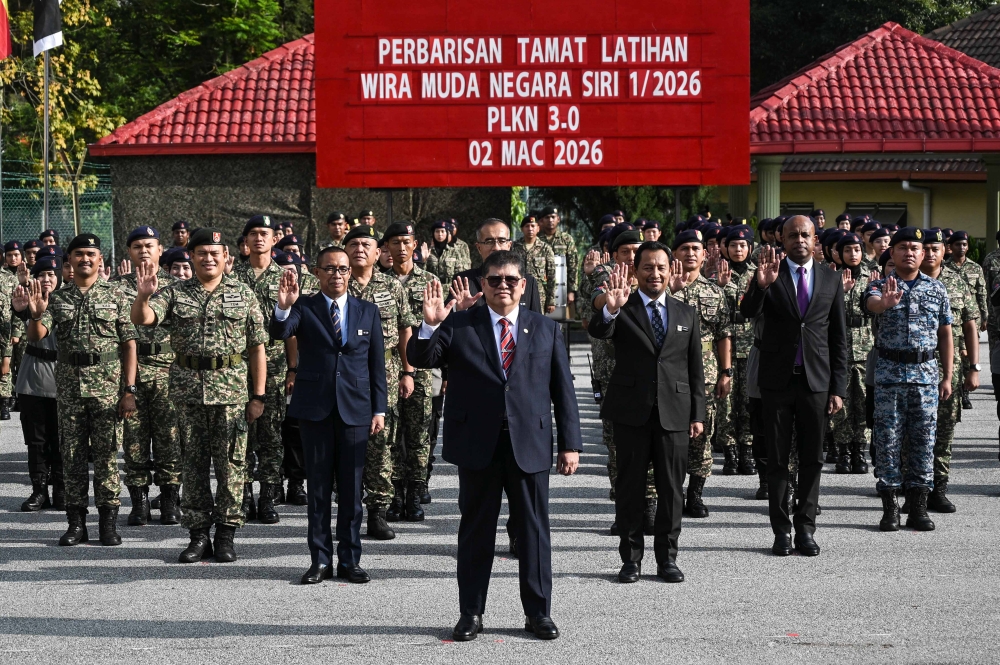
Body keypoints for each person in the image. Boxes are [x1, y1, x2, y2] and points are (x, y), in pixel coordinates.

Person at [409, 250, 582, 642]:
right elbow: (421, 358)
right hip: (477, 445)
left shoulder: (545, 328)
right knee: (475, 533)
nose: (502, 285)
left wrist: (570, 443)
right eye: (493, 280)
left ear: (524, 285)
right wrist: (429, 324)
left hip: (529, 444)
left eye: (510, 280)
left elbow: (563, 389)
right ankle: (471, 612)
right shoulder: (459, 324)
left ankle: (538, 613)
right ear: (481, 284)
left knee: (534, 532)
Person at [132, 228, 268, 563]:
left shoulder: (243, 293)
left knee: (231, 466)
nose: (208, 258)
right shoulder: (175, 293)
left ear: (226, 258)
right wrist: (143, 297)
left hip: (232, 394)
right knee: (192, 466)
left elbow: (257, 348)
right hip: (187, 393)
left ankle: (225, 534)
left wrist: (259, 396)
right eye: (201, 253)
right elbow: (144, 320)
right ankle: (197, 535)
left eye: (214, 253)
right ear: (191, 257)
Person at [589, 241, 706, 585]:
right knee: (630, 488)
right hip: (631, 412)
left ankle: (667, 559)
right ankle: (631, 560)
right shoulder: (622, 307)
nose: (655, 274)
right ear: (635, 271)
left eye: (661, 267)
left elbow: (694, 368)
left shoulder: (686, 312)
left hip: (675, 412)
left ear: (672, 271)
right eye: (647, 268)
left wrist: (697, 414)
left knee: (672, 490)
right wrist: (610, 309)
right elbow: (599, 330)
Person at [271, 246, 388, 584]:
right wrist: (283, 306)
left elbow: (376, 364)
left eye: (342, 269)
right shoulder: (303, 306)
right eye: (329, 269)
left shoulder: (367, 310)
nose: (336, 275)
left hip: (356, 409)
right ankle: (320, 560)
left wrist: (378, 408)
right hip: (316, 409)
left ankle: (350, 560)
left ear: (351, 273)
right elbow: (279, 332)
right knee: (319, 489)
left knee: (352, 490)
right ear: (317, 272)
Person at [740, 215, 848, 557]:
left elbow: (838, 338)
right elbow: (746, 312)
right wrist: (760, 286)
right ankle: (781, 531)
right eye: (792, 235)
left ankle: (806, 528)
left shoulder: (831, 279)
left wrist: (838, 388)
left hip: (816, 382)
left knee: (813, 458)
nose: (799, 240)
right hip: (777, 381)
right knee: (777, 460)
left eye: (805, 234)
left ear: (815, 240)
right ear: (781, 240)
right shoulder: (769, 273)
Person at [26, 234, 139, 547]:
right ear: (70, 262)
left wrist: (129, 389)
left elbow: (129, 345)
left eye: (91, 254)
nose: (85, 259)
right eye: (78, 255)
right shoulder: (59, 299)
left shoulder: (117, 294)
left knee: (106, 459)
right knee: (72, 459)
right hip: (70, 393)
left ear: (100, 259)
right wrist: (35, 314)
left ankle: (107, 524)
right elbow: (37, 335)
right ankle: (76, 524)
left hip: (108, 392)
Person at [863, 227, 952, 533]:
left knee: (923, 442)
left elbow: (945, 333)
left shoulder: (936, 289)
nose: (910, 252)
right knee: (887, 441)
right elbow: (871, 304)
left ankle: (918, 508)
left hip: (926, 376)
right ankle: (890, 508)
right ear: (893, 253)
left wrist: (948, 376)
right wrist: (884, 304)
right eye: (903, 247)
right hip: (889, 375)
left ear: (924, 253)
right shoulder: (879, 285)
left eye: (916, 247)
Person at [345, 223, 419, 541]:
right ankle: (348, 512)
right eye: (354, 244)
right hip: (345, 374)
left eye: (367, 244)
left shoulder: (392, 288)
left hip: (384, 373)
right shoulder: (336, 286)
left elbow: (405, 330)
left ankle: (377, 512)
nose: (360, 249)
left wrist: (407, 371)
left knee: (381, 445)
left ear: (379, 253)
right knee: (345, 444)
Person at [111, 226, 183, 526]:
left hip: (168, 372)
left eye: (149, 245)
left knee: (170, 439)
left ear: (160, 249)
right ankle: (139, 502)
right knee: (134, 441)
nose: (143, 250)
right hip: (131, 373)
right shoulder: (116, 289)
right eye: (137, 246)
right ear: (129, 251)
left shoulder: (178, 287)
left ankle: (169, 501)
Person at [668, 229, 731, 518]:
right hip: (672, 370)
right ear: (674, 254)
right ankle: (671, 493)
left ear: (705, 254)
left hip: (705, 373)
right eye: (684, 248)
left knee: (703, 435)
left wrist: (726, 372)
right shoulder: (665, 289)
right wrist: (672, 290)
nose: (690, 253)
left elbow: (723, 334)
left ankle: (695, 495)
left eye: (696, 248)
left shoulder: (715, 292)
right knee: (672, 433)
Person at [233, 214, 291, 524]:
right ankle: (242, 495)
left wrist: (293, 369)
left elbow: (294, 329)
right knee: (241, 435)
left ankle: (268, 497)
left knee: (271, 437)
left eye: (264, 234)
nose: (258, 239)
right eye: (252, 233)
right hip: (236, 370)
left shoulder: (286, 277)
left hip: (275, 367)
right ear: (245, 242)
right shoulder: (231, 278)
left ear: (273, 240)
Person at [382, 222, 439, 518]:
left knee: (418, 435)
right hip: (388, 368)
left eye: (406, 242)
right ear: (386, 247)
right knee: (390, 434)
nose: (401, 248)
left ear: (415, 245)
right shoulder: (378, 284)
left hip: (422, 368)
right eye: (395, 242)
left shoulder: (431, 281)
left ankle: (416, 493)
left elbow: (441, 329)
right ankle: (394, 495)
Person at [919, 229, 978, 513]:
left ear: (945, 250)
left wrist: (974, 369)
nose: (929, 254)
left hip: (949, 370)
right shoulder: (906, 280)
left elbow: (969, 326)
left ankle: (939, 489)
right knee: (912, 432)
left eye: (935, 248)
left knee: (943, 432)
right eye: (925, 248)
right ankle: (915, 489)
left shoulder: (957, 282)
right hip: (914, 367)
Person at [11, 256, 63, 512]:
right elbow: (18, 313)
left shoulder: (67, 300)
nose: (46, 279)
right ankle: (39, 490)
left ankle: (62, 489)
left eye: (51, 274)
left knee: (62, 439)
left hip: (63, 378)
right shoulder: (27, 299)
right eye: (41, 274)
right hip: (33, 378)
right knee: (36, 440)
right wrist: (23, 309)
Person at [830, 232, 874, 475]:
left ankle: (860, 450)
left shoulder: (873, 277)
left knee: (864, 403)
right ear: (839, 254)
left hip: (866, 349)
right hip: (841, 351)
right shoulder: (832, 278)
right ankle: (843, 451)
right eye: (848, 251)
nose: (853, 254)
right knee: (842, 404)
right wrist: (843, 291)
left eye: (857, 250)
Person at [719, 225, 757, 476]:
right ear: (726, 248)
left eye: (742, 245)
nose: (738, 249)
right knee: (727, 404)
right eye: (733, 245)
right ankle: (730, 453)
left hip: (752, 346)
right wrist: (721, 285)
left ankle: (748, 450)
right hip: (726, 346)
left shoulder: (758, 274)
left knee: (748, 402)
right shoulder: (719, 275)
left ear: (750, 248)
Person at [450, 219, 543, 314]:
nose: (496, 248)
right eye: (489, 242)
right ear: (479, 248)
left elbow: (537, 323)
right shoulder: (463, 281)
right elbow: (447, 324)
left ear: (509, 245)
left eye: (502, 241)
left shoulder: (528, 282)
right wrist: (459, 310)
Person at [946, 231, 988, 410]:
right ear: (950, 247)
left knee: (969, 355)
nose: (961, 247)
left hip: (971, 319)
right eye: (957, 244)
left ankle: (965, 392)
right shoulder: (945, 267)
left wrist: (984, 316)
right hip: (952, 319)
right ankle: (959, 393)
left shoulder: (975, 268)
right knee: (956, 355)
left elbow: (982, 293)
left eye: (964, 244)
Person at [537, 206, 578, 312]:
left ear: (558, 219)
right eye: (547, 217)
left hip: (561, 288)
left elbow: (573, 266)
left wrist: (571, 291)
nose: (550, 220)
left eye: (553, 217)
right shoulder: (537, 239)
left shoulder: (566, 239)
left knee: (560, 321)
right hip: (541, 288)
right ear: (542, 221)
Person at [512, 215, 556, 313]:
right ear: (522, 229)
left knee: (538, 322)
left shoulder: (545, 249)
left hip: (539, 294)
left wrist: (551, 301)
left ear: (538, 228)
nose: (530, 229)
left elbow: (551, 276)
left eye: (533, 226)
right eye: (527, 226)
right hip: (518, 291)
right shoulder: (514, 247)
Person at [425, 220, 470, 287]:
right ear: (433, 233)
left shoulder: (454, 251)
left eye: (442, 231)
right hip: (432, 289)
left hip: (451, 289)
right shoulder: (427, 250)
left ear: (447, 233)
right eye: (437, 231)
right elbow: (421, 272)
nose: (440, 234)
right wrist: (423, 260)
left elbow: (462, 272)